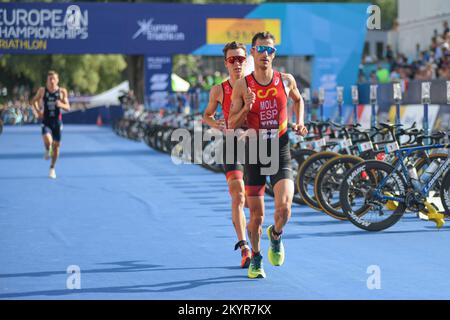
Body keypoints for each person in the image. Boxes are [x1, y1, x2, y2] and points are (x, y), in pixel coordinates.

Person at [228, 32, 308, 279]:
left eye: (270, 50)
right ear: (253, 52)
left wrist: (300, 122)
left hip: (280, 149)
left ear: (274, 54)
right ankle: (257, 256)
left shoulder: (285, 80)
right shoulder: (243, 85)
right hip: (254, 153)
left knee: (284, 209)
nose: (265, 54)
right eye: (260, 49)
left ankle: (276, 235)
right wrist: (247, 107)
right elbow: (231, 122)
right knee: (256, 216)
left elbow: (298, 100)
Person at [203, 41, 252, 268]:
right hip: (231, 144)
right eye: (232, 60)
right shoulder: (218, 90)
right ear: (226, 63)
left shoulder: (256, 86)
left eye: (241, 59)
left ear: (246, 61)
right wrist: (219, 126)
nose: (237, 63)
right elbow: (207, 115)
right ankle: (244, 246)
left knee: (254, 202)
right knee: (238, 195)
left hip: (257, 145)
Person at [31, 71, 70, 179]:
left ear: (57, 80)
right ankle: (48, 149)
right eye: (50, 79)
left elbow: (68, 107)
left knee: (57, 147)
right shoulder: (42, 91)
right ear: (47, 80)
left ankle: (52, 168)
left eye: (54, 79)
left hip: (57, 122)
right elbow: (33, 101)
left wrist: (61, 104)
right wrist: (38, 112)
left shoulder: (62, 92)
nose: (52, 81)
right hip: (46, 121)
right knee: (48, 140)